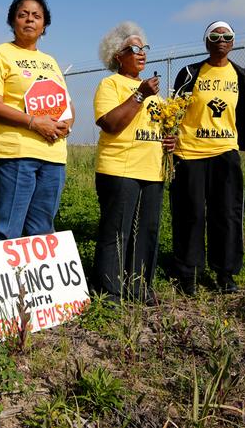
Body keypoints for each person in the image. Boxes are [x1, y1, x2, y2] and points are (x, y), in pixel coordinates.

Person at [170, 21, 245, 294]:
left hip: (225, 154)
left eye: (227, 36)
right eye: (215, 36)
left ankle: (225, 273)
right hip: (190, 153)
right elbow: (174, 110)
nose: (221, 40)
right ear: (206, 42)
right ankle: (188, 273)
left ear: (233, 42)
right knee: (191, 214)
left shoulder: (240, 74)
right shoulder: (190, 73)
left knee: (227, 214)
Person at [0, 0, 74, 242]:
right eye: (23, 15)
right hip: (16, 154)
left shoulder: (50, 61)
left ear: (44, 26)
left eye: (36, 16)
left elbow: (67, 105)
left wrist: (67, 124)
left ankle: (30, 283)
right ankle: (5, 281)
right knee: (6, 230)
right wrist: (33, 122)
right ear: (12, 22)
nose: (30, 20)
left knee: (42, 230)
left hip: (53, 156)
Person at [92, 22, 176, 305]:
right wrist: (139, 94)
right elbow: (110, 124)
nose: (142, 54)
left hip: (152, 171)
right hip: (120, 169)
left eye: (144, 49)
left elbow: (160, 129)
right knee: (117, 231)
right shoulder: (110, 85)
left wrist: (170, 141)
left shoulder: (156, 95)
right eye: (134, 49)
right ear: (118, 55)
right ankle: (110, 292)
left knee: (146, 232)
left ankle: (139, 286)